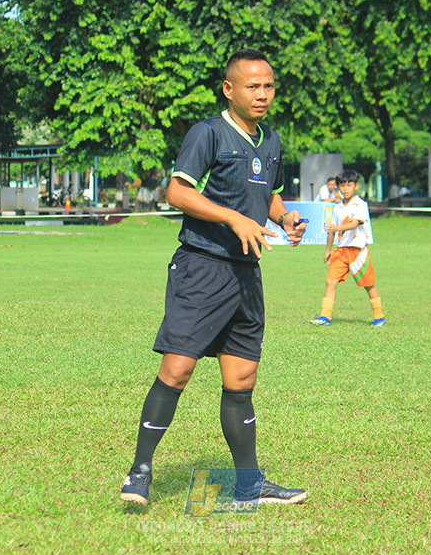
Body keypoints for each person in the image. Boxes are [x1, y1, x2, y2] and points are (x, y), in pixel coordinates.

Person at [119, 49, 309, 507]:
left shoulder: (272, 141)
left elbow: (270, 197)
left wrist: (286, 219)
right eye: (252, 86)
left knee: (241, 381)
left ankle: (249, 483)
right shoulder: (208, 133)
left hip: (247, 274)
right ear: (230, 89)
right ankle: (139, 472)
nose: (262, 95)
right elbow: (178, 191)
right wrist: (233, 220)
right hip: (202, 267)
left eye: (268, 87)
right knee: (178, 370)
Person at [311, 169, 385, 327]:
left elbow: (354, 223)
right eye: (342, 185)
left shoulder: (360, 204)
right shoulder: (336, 208)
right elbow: (331, 230)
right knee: (330, 281)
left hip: (357, 251)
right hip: (341, 250)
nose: (345, 188)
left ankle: (379, 316)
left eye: (349, 185)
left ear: (356, 186)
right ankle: (325, 316)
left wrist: (338, 227)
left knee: (368, 284)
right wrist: (328, 250)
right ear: (338, 188)